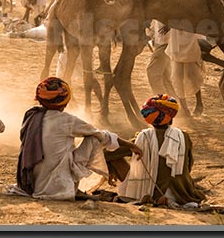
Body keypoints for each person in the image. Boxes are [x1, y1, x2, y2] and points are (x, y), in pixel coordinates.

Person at [13, 77, 141, 201]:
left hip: (32, 183)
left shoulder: (31, 115)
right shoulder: (66, 120)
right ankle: (73, 188)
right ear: (64, 101)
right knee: (94, 139)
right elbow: (100, 135)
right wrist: (131, 145)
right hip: (57, 188)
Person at [118, 94, 206, 206]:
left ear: (150, 120)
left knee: (113, 156)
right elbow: (189, 165)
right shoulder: (183, 137)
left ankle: (145, 191)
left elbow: (109, 152)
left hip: (150, 192)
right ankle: (167, 197)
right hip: (181, 194)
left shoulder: (142, 138)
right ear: (171, 119)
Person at [165, 28, 205, 116]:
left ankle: (199, 103)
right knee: (177, 78)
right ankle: (184, 108)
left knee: (193, 76)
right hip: (176, 41)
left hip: (189, 40)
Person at [146, 20, 177, 96]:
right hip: (165, 43)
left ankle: (162, 101)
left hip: (165, 43)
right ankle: (175, 103)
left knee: (152, 73)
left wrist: (171, 24)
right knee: (165, 77)